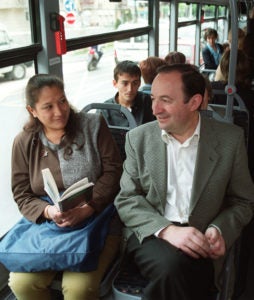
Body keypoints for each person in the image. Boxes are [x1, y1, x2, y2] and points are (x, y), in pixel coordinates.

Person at [114, 64, 254, 300]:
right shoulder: (138, 139)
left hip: (202, 235)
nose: (155, 109)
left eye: (166, 100)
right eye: (153, 99)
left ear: (194, 102)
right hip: (151, 234)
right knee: (176, 266)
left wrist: (219, 229)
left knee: (181, 268)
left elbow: (243, 201)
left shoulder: (229, 140)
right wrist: (168, 230)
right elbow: (127, 199)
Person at [2, 74, 123, 300]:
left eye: (62, 101)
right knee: (20, 284)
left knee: (78, 289)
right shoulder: (25, 141)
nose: (59, 111)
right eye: (48, 106)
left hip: (98, 214)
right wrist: (48, 211)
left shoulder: (93, 125)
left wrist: (89, 207)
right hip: (50, 222)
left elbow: (114, 172)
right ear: (32, 111)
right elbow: (22, 193)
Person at [104, 60, 155, 127]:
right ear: (115, 83)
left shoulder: (149, 102)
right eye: (125, 83)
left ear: (139, 83)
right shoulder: (105, 109)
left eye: (135, 83)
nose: (130, 89)